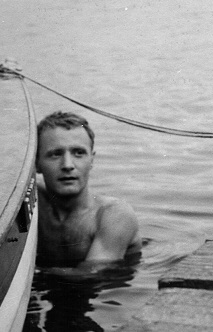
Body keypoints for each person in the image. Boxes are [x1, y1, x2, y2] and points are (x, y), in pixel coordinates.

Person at [35, 111, 141, 267]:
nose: (67, 165)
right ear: (36, 163)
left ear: (92, 160)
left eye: (79, 153)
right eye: (55, 154)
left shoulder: (113, 215)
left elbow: (92, 273)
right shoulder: (32, 199)